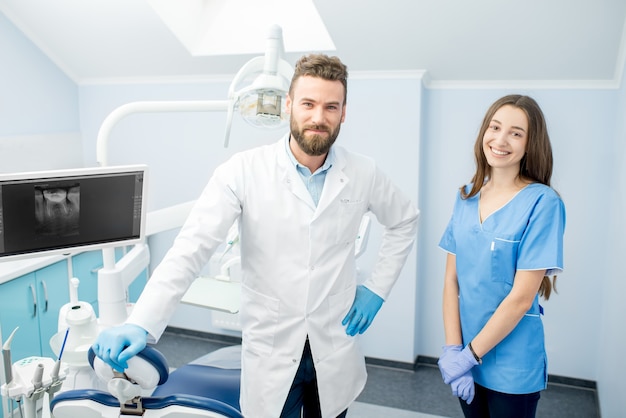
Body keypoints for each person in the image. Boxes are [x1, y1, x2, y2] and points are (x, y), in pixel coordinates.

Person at [92, 54, 419, 418]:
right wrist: (142, 321)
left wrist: (377, 289)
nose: (318, 117)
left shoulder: (362, 172)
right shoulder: (243, 171)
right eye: (308, 104)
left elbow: (405, 220)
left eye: (331, 107)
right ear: (289, 105)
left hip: (334, 345)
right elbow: (191, 249)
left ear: (344, 113)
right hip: (273, 350)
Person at [437, 94, 566, 418]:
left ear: (530, 144)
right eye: (495, 127)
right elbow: (451, 281)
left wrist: (469, 356)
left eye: (516, 132)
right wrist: (454, 351)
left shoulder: (543, 202)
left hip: (512, 364)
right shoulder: (465, 196)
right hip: (466, 354)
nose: (500, 139)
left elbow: (521, 298)